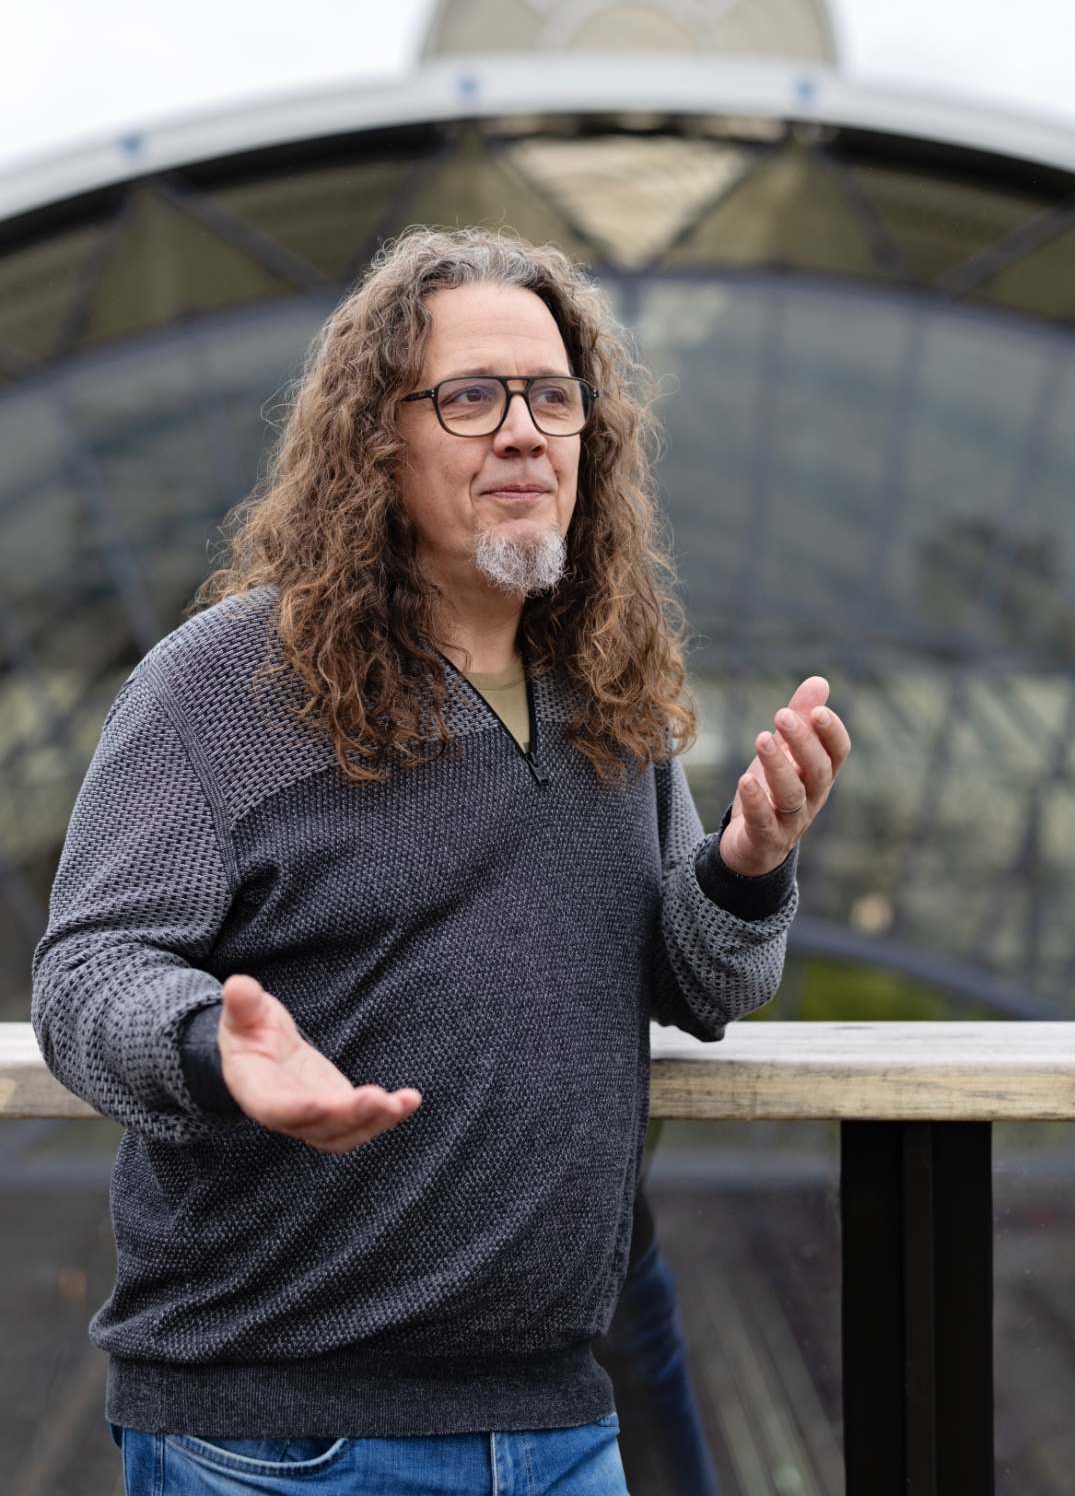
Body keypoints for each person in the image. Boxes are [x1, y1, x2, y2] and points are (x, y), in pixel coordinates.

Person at [33, 229, 849, 1496]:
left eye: (552, 396)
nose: (522, 431)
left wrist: (747, 862)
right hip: (279, 1438)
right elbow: (87, 974)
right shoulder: (220, 685)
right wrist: (211, 1046)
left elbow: (702, 987)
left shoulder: (604, 690)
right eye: (471, 397)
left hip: (558, 1419)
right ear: (377, 440)